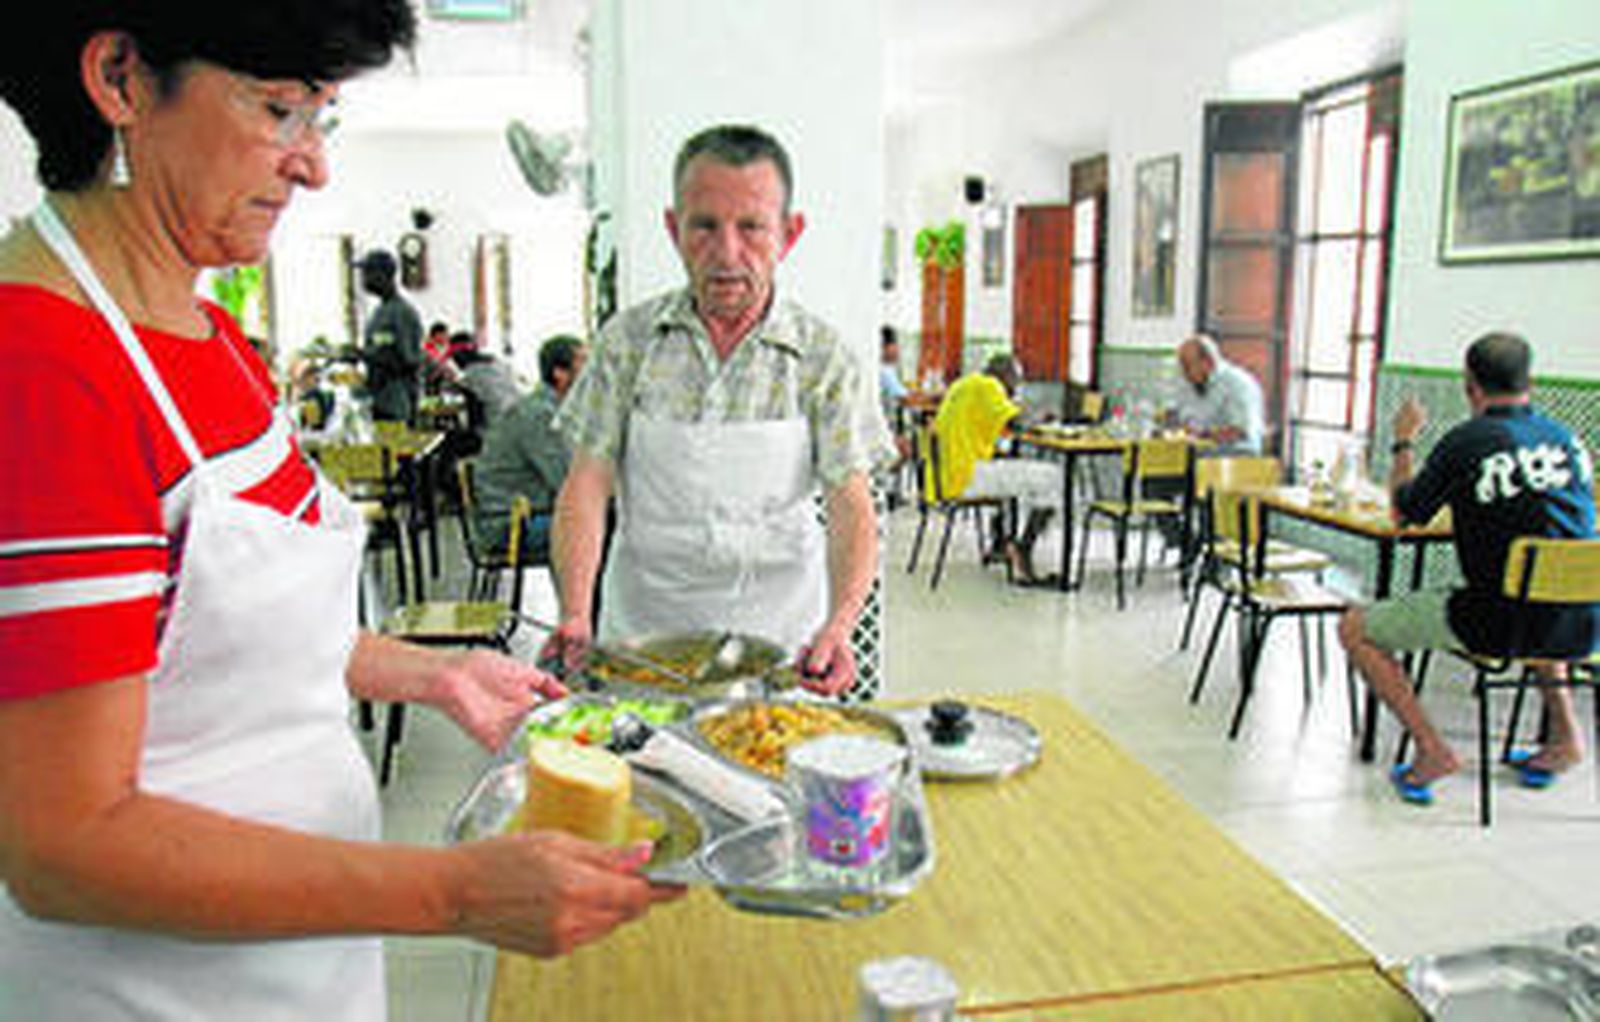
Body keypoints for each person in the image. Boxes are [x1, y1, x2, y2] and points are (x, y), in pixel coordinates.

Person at [0, 7, 680, 1018]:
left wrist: (431, 670)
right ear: (120, 77)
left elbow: (227, 626)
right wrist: (453, 891)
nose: (312, 166)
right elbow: (64, 843)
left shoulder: (208, 332)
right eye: (280, 111)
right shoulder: (45, 368)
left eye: (323, 118)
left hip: (297, 961)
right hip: (157, 991)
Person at [545, 123, 889, 696]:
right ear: (674, 229)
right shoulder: (626, 342)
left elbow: (851, 504)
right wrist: (575, 610)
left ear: (789, 233)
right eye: (704, 226)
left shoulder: (824, 358)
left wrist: (840, 624)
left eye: (752, 227)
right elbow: (586, 483)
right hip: (645, 643)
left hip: (783, 643)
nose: (727, 252)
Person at [1338, 332, 1599, 806]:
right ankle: (1565, 738)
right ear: (1531, 383)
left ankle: (1431, 749)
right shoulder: (1568, 440)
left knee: (1355, 627)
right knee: (1542, 597)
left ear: (1470, 387)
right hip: (1583, 621)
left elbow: (1404, 514)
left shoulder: (1467, 442)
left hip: (1496, 622)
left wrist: (1402, 442)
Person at [932, 354, 1060, 585]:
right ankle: (1023, 550)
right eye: (1016, 382)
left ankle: (1001, 543)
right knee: (1052, 477)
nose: (1015, 389)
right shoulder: (989, 386)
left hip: (946, 474)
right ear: (1005, 376)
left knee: (1012, 471)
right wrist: (1042, 416)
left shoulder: (963, 384)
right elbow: (1017, 422)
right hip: (967, 477)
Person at [473, 335, 586, 565]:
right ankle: (591, 601)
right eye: (585, 364)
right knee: (608, 528)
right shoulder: (540, 415)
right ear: (560, 374)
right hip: (511, 526)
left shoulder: (550, 409)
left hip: (525, 514)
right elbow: (565, 481)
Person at [357, 247, 424, 424]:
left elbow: (408, 361)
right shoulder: (380, 312)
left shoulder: (402, 313)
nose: (363, 280)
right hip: (378, 399)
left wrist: (365, 356)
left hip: (397, 403)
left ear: (384, 275)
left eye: (367, 273)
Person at [1172, 333, 1265, 455]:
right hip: (1197, 459)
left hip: (1234, 462)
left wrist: (1202, 436)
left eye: (1188, 367)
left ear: (1208, 362)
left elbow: (1239, 431)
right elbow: (1182, 423)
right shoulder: (1188, 387)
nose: (1185, 374)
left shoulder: (1238, 385)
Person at [453, 332, 525, 429]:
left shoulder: (472, 373)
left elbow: (474, 414)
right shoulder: (496, 361)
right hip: (522, 414)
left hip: (499, 425)